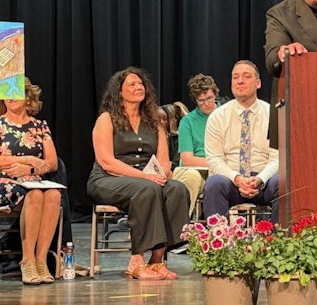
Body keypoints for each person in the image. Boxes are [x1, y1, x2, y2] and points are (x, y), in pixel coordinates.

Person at [87, 68, 190, 279]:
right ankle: (136, 260)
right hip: (108, 179)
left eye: (141, 84)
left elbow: (163, 161)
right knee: (147, 189)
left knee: (177, 189)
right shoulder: (106, 119)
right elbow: (107, 162)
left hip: (147, 180)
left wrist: (161, 175)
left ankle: (157, 261)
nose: (138, 87)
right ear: (119, 91)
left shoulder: (153, 121)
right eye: (132, 84)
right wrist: (145, 177)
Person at [0, 79, 63, 285]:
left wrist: (30, 169)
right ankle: (27, 261)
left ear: (28, 97)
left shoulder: (40, 126)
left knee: (54, 195)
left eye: (15, 92)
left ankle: (41, 260)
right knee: (34, 195)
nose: (10, 97)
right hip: (2, 183)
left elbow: (52, 163)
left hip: (32, 181)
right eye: (6, 93)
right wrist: (27, 159)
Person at [203, 61, 279, 223]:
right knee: (214, 184)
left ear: (258, 83)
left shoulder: (273, 114)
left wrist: (260, 179)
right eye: (235, 77)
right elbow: (214, 159)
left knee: (283, 183)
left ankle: (277, 237)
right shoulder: (217, 116)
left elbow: (277, 158)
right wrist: (237, 178)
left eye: (247, 76)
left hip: (264, 179)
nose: (240, 81)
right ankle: (219, 237)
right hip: (230, 179)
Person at [170, 73, 219, 209]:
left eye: (209, 98)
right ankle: (181, 221)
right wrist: (218, 164)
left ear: (215, 94)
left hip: (223, 171)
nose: (207, 104)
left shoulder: (227, 114)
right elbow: (187, 159)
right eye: (201, 100)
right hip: (195, 170)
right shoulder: (188, 121)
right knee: (191, 177)